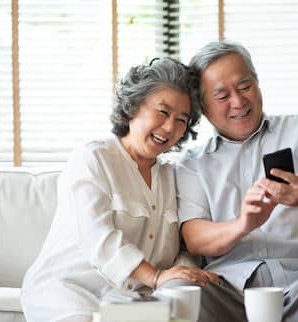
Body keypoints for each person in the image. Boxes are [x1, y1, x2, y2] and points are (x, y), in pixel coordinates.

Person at [175, 41, 298, 322]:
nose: (238, 102)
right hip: (229, 289)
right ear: (203, 107)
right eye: (222, 96)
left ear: (257, 83)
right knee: (181, 292)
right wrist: (243, 224)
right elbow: (195, 239)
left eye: (245, 87)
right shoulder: (191, 163)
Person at [21, 58, 219, 322]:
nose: (170, 127)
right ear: (134, 106)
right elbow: (97, 237)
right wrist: (155, 276)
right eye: (163, 111)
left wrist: (185, 273)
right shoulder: (94, 158)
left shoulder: (173, 176)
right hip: (68, 291)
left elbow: (180, 248)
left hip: (130, 300)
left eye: (181, 120)